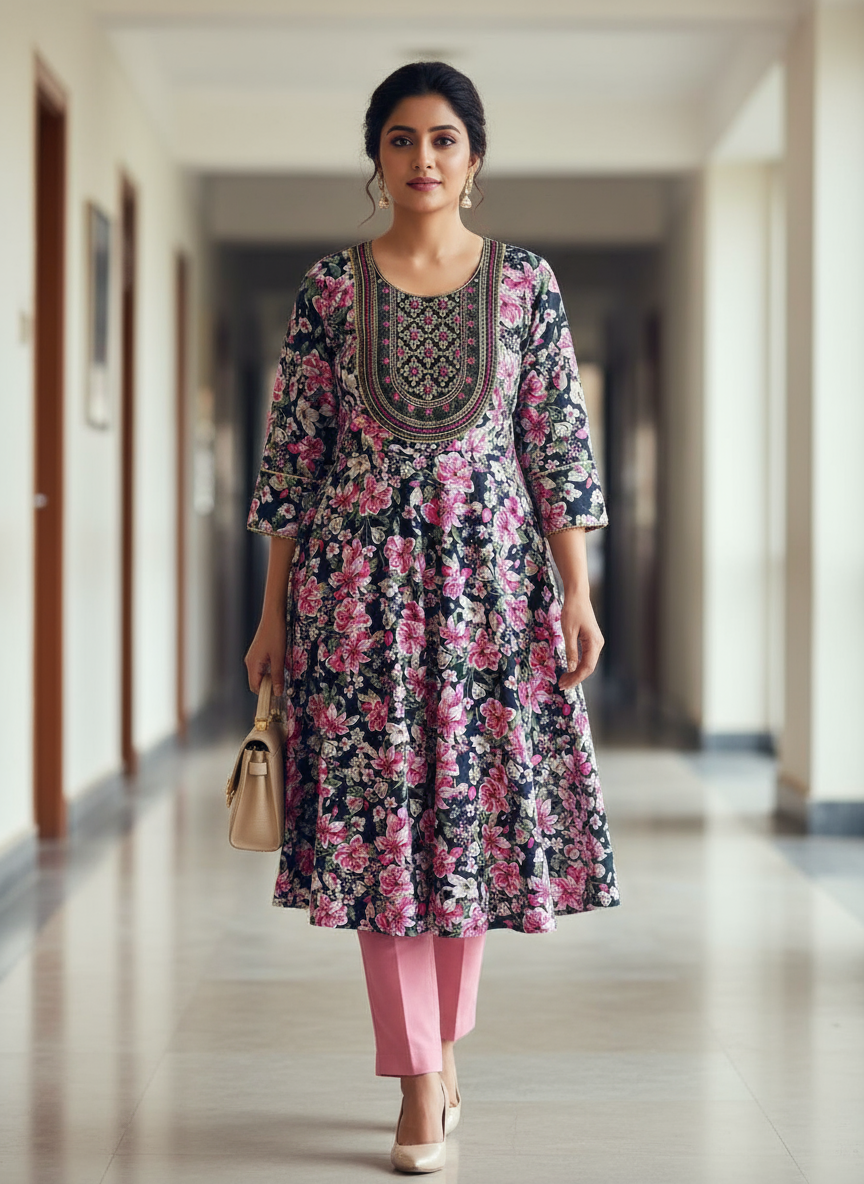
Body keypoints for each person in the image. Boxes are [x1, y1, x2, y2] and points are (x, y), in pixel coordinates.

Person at [245, 60, 618, 1175]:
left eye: (444, 139)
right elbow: (291, 464)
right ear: (377, 157)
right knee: (379, 845)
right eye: (402, 140)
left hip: (493, 595)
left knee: (465, 831)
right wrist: (272, 616)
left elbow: (556, 445)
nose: (423, 160)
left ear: (475, 156)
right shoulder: (327, 289)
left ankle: (446, 1045)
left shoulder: (525, 285)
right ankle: (417, 1080)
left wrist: (577, 591)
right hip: (356, 602)